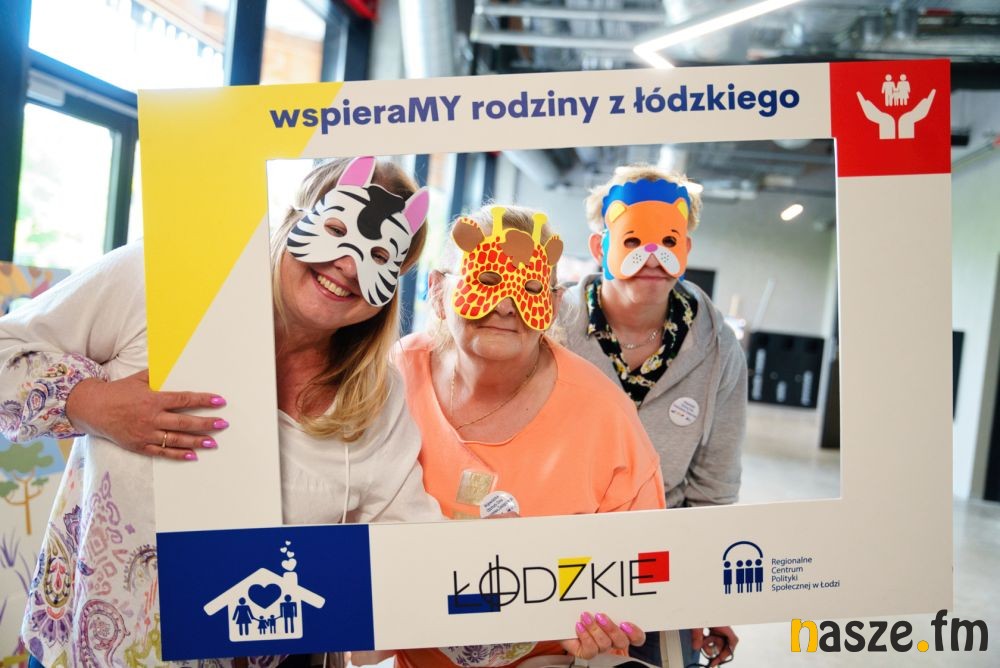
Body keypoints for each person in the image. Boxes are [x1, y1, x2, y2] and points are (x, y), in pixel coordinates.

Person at [0, 156, 443, 668]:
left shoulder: (377, 401)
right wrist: (92, 404)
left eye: (381, 254)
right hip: (86, 651)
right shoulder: (166, 280)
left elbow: (409, 545)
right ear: (295, 217)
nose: (348, 264)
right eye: (337, 230)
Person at [390, 205, 666, 667]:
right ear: (438, 290)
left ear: (552, 305)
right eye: (486, 279)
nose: (505, 306)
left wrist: (610, 620)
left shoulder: (605, 416)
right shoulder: (395, 376)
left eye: (530, 288)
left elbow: (645, 564)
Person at [559, 165, 746, 667]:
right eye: (631, 240)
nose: (651, 256)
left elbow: (714, 487)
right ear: (599, 246)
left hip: (661, 564)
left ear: (687, 248)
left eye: (668, 240)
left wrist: (709, 595)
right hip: (556, 556)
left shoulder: (719, 349)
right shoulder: (551, 328)